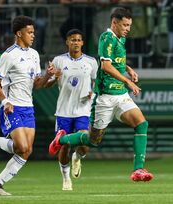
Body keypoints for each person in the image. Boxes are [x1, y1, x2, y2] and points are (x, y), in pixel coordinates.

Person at [49, 7, 154, 182]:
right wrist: (128, 81)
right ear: (114, 22)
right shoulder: (106, 38)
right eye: (125, 25)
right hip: (105, 97)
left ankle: (138, 170)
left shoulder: (120, 39)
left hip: (120, 95)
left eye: (129, 25)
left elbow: (115, 62)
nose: (128, 28)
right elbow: (105, 66)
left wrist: (128, 69)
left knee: (141, 124)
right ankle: (63, 139)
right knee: (93, 140)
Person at [0, 15, 55, 196]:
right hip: (11, 107)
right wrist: (5, 101)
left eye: (34, 32)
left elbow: (36, 84)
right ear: (19, 33)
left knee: (26, 150)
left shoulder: (34, 55)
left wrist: (48, 76)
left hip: (28, 107)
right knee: (21, 145)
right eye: (30, 32)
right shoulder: (8, 55)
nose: (33, 35)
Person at [48, 29, 98, 190]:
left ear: (82, 43)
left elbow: (98, 82)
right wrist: (54, 77)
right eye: (72, 40)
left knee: (85, 141)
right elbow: (47, 84)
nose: (76, 42)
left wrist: (93, 93)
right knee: (64, 147)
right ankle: (65, 178)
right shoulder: (58, 61)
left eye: (78, 40)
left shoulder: (91, 62)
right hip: (64, 111)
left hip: (83, 110)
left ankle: (77, 156)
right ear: (67, 42)